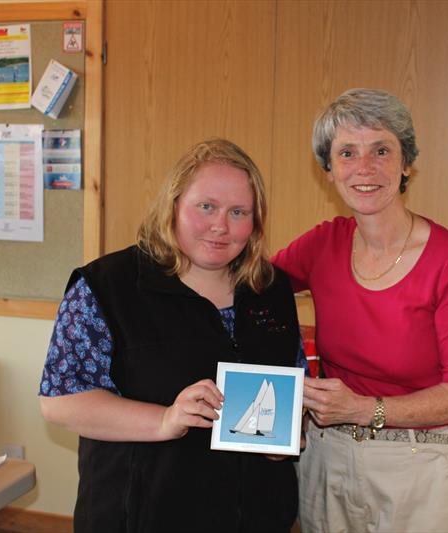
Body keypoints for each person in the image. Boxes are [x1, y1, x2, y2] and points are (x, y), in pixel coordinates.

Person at [39, 139, 301, 533]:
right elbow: (61, 401)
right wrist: (164, 419)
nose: (220, 225)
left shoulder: (272, 288)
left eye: (238, 212)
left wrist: (289, 436)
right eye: (206, 206)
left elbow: (292, 384)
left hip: (257, 515)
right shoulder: (108, 285)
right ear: (174, 205)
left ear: (256, 220)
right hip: (142, 515)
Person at [273, 88, 448, 533]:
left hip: (423, 467)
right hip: (329, 459)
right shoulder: (322, 244)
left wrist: (362, 409)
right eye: (347, 153)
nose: (364, 168)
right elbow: (250, 291)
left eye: (381, 150)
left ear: (405, 162)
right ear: (329, 170)